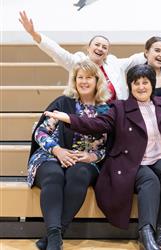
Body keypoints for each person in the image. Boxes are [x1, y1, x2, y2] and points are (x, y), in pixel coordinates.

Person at [44, 64, 161, 250]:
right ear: (130, 86)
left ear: (152, 84)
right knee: (150, 180)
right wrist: (69, 118)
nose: (141, 87)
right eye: (136, 83)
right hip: (132, 164)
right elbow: (96, 123)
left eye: (145, 82)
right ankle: (146, 234)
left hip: (160, 160)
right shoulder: (119, 107)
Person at [28, 60, 110, 250]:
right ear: (74, 80)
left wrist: (93, 157)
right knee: (53, 175)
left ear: (97, 81)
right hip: (51, 154)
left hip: (85, 159)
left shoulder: (106, 110)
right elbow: (40, 133)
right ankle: (55, 239)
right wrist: (57, 150)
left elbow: (110, 144)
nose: (84, 81)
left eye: (88, 77)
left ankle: (54, 235)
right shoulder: (63, 102)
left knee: (79, 175)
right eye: (80, 77)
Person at [18, 11, 161, 103]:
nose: (100, 48)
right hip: (87, 114)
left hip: (114, 114)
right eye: (97, 45)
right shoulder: (79, 62)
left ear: (107, 52)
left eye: (104, 47)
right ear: (89, 48)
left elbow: (141, 57)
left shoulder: (115, 64)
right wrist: (35, 34)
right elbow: (58, 52)